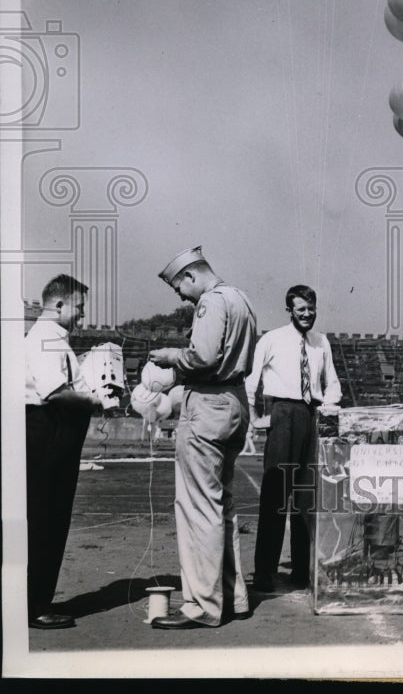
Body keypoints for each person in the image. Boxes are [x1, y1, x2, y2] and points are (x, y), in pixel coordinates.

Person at [148, 246, 257, 629]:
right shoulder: (240, 298)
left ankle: (202, 606)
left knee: (199, 510)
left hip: (208, 406)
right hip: (235, 403)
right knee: (222, 506)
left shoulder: (211, 302)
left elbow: (204, 357)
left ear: (191, 276)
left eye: (180, 287)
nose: (181, 296)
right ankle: (234, 598)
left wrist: (170, 357)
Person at [246, 284, 341, 591]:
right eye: (301, 309)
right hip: (282, 415)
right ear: (289, 310)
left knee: (307, 498)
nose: (307, 314)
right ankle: (264, 573)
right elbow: (252, 382)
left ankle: (302, 570)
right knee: (275, 496)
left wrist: (327, 405)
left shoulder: (321, 342)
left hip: (311, 415)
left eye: (311, 309)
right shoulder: (271, 339)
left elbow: (334, 384)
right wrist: (255, 418)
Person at [25, 274, 102, 629]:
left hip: (50, 432)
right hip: (47, 432)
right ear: (59, 305)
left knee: (47, 518)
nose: (82, 317)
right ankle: (35, 605)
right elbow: (56, 391)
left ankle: (35, 600)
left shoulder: (54, 339)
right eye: (79, 309)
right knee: (47, 519)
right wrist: (94, 400)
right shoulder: (46, 339)